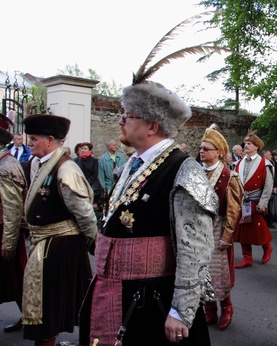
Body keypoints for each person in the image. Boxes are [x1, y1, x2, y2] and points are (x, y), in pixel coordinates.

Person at [79, 78, 217, 346]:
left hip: (153, 298)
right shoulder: (134, 163)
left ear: (153, 126)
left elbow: (196, 247)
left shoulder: (183, 169)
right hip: (119, 289)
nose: (121, 121)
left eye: (128, 116)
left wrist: (181, 311)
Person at [22, 113, 98, 346]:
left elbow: (84, 213)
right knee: (51, 305)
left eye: (34, 139)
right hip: (46, 245)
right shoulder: (40, 163)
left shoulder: (66, 169)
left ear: (51, 139)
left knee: (51, 306)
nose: (30, 143)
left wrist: (95, 243)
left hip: (60, 247)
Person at [199, 125, 244, 331]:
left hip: (218, 229)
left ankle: (226, 308)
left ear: (219, 152)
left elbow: (234, 211)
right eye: (201, 147)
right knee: (201, 272)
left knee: (219, 273)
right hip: (198, 231)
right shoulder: (196, 173)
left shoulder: (229, 176)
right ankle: (209, 309)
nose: (202, 151)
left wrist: (227, 236)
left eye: (207, 148)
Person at [0, 117, 27, 333]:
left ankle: (29, 316)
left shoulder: (7, 165)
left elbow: (12, 207)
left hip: (3, 230)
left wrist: (8, 240)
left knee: (15, 277)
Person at [234, 132, 274, 268]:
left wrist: (263, 203)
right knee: (242, 230)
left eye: (249, 143)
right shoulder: (238, 163)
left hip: (256, 201)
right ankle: (247, 258)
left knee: (259, 229)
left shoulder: (265, 163)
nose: (246, 145)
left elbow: (268, 186)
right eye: (245, 143)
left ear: (257, 147)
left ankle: (267, 247)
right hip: (242, 202)